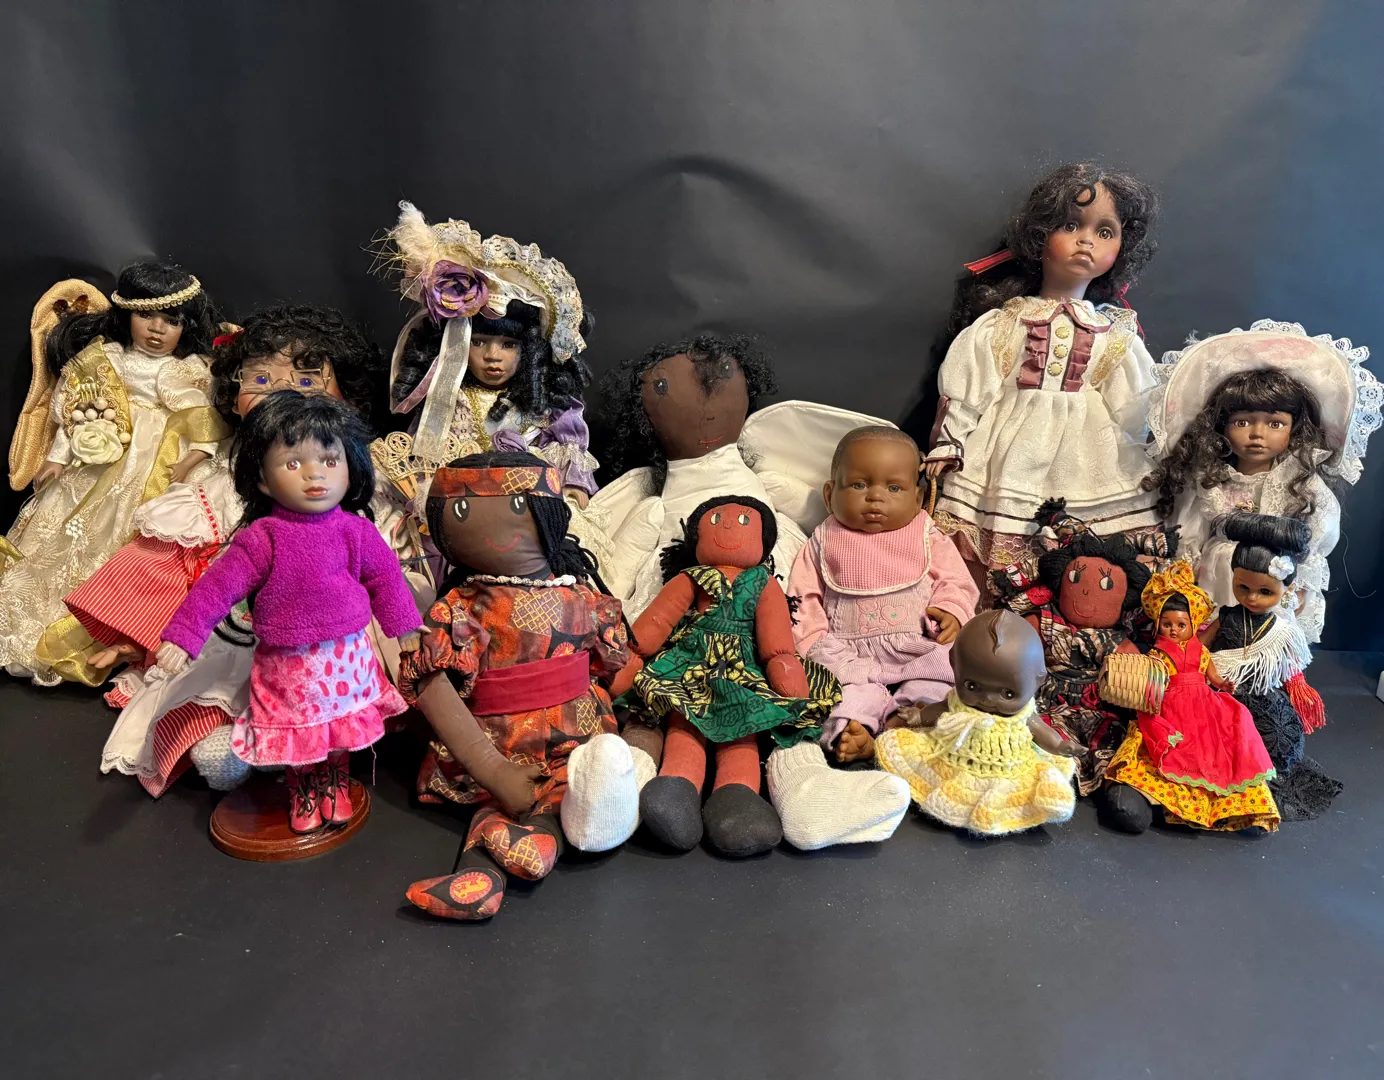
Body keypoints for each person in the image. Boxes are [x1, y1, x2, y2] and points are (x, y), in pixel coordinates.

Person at [155, 392, 422, 834]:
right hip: (289, 663)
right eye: (293, 463)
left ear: (351, 467)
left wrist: (405, 625)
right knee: (298, 728)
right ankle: (303, 784)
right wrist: (184, 636)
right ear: (262, 479)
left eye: (329, 460)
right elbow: (218, 588)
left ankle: (335, 778)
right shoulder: (263, 538)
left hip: (346, 654)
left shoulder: (356, 530)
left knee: (340, 724)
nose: (315, 474)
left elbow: (386, 578)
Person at [398, 452, 632, 920]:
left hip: (571, 737)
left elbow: (608, 665)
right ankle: (520, 853)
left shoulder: (580, 594)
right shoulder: (460, 607)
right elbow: (430, 683)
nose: (490, 527)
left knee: (564, 791)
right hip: (492, 746)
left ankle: (502, 866)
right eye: (461, 510)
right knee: (508, 797)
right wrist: (491, 768)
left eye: (517, 507)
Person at [923, 163, 1161, 587]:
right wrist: (951, 439)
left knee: (1084, 553)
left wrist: (1154, 449)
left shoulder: (1113, 334)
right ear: (1040, 234)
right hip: (1009, 449)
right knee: (996, 534)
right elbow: (971, 387)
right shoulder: (1004, 324)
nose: (1087, 240)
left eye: (1105, 231)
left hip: (1089, 454)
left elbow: (1134, 406)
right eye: (1071, 225)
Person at [0, 262, 226, 683]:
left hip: (162, 461)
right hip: (105, 454)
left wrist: (198, 454)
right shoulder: (105, 359)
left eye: (172, 320)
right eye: (146, 316)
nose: (157, 329)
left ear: (187, 326)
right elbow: (77, 411)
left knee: (142, 543)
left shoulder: (193, 368)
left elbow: (205, 419)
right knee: (70, 533)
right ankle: (37, 624)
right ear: (126, 315)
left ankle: (116, 634)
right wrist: (59, 455)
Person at [783, 425, 972, 845]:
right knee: (843, 698)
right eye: (859, 484)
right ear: (830, 494)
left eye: (894, 487)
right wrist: (815, 645)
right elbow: (802, 599)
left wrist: (952, 611)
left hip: (916, 648)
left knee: (938, 690)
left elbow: (957, 582)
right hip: (849, 655)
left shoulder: (926, 535)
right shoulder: (823, 541)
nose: (875, 497)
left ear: (918, 499)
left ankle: (907, 729)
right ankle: (858, 735)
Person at [1145, 321, 1380, 643]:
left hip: (1272, 576)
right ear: (1222, 427)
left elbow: (1318, 533)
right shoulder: (1211, 480)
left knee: (1266, 640)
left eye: (1275, 424)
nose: (1257, 434)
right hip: (1218, 576)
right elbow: (1190, 530)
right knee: (1217, 636)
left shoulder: (1301, 483)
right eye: (1242, 422)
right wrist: (1185, 578)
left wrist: (1300, 582)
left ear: (1295, 429)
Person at [382, 202, 598, 508]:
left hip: (528, 506)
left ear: (530, 350)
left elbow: (569, 447)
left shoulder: (542, 406)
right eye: (479, 342)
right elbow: (426, 459)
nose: (492, 356)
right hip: (463, 505)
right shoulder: (448, 399)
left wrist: (573, 485)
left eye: (508, 345)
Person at [1103, 561, 1279, 834]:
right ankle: (1167, 800)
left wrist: (1223, 684)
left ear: (1192, 624)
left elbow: (1213, 676)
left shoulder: (1202, 652)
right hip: (1170, 704)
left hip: (1204, 704)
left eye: (1180, 624)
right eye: (1167, 624)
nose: (1173, 630)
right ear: (1158, 625)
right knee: (1172, 747)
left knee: (1235, 721)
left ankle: (1221, 802)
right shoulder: (1157, 653)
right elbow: (1150, 678)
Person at [875, 609, 1078, 835]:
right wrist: (919, 716)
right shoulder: (958, 704)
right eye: (972, 686)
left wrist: (1058, 745)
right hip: (952, 760)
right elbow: (942, 710)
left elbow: (1040, 731)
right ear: (954, 665)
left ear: (1038, 681)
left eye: (1008, 694)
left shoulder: (1024, 716)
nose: (988, 699)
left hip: (1010, 771)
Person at [1203, 512, 1341, 821]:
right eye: (1242, 587)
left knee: (1270, 741)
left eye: (1265, 592)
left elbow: (1287, 671)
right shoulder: (1225, 616)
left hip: (1261, 699)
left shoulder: (1282, 630)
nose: (1252, 597)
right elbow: (1200, 649)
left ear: (1285, 589)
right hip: (1221, 695)